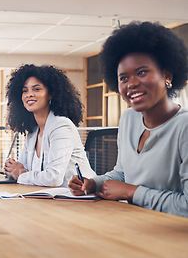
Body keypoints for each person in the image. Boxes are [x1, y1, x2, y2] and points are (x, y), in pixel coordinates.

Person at [68, 21, 188, 217]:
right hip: (130, 222)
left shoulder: (184, 126)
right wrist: (93, 183)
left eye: (141, 72)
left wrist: (132, 192)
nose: (131, 84)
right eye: (123, 78)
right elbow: (123, 173)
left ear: (167, 75)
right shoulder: (129, 119)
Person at [3, 64, 94, 187]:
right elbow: (21, 169)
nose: (29, 94)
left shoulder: (61, 126)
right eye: (25, 90)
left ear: (50, 94)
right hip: (49, 198)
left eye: (36, 89)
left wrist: (20, 174)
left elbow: (54, 178)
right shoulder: (33, 131)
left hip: (80, 198)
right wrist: (11, 169)